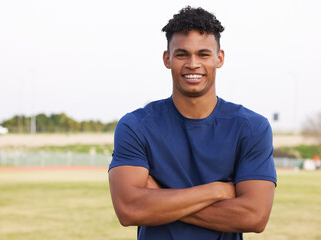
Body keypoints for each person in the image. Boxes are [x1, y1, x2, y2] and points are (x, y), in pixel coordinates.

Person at [108, 6, 277, 240]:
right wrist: (217, 190)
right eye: (182, 54)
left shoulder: (251, 127)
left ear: (220, 58)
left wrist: (160, 198)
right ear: (167, 59)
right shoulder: (136, 125)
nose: (193, 64)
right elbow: (129, 210)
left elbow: (254, 217)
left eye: (203, 54)